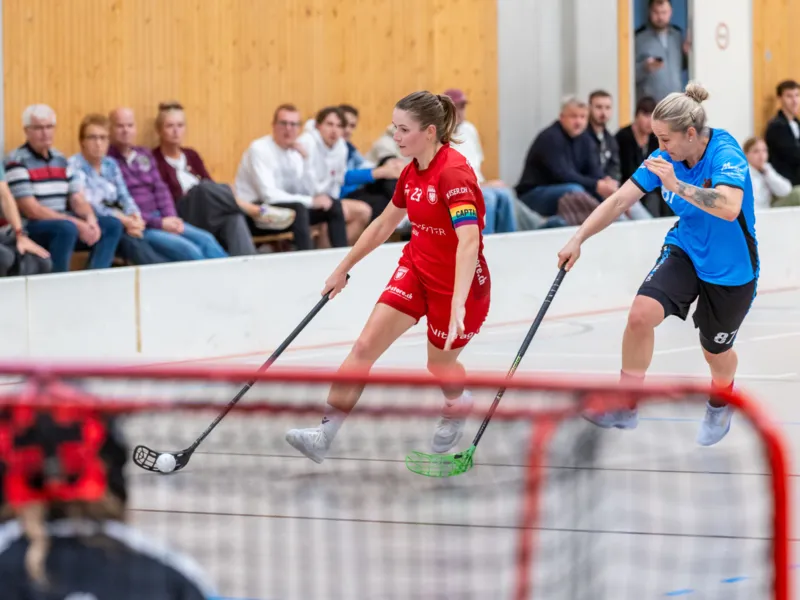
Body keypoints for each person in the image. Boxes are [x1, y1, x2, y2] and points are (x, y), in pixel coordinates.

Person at [285, 91, 491, 463]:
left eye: (403, 129)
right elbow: (383, 224)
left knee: (439, 365)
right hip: (416, 270)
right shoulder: (411, 171)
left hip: (459, 285)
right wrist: (343, 267)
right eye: (394, 128)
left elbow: (469, 241)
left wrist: (458, 298)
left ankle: (457, 402)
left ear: (429, 132)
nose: (395, 137)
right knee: (364, 348)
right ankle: (324, 435)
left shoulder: (453, 172)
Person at [557, 82, 758, 447]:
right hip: (685, 249)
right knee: (640, 314)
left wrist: (676, 185)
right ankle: (626, 404)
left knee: (715, 352)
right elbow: (619, 201)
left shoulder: (725, 152)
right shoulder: (666, 159)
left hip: (731, 267)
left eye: (665, 140)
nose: (659, 148)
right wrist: (578, 238)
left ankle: (720, 402)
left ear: (691, 134)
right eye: (656, 139)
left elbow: (729, 208)